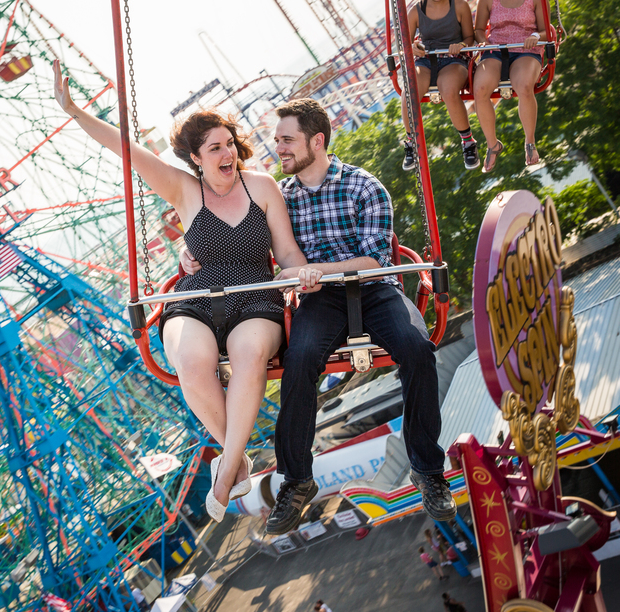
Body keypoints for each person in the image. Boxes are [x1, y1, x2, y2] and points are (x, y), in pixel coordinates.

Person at [181, 99, 456, 535]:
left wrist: (318, 270)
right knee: (300, 359)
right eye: (277, 141)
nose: (279, 149)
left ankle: (428, 468)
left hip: (374, 289)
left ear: (317, 141)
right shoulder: (279, 196)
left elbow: (375, 261)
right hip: (321, 299)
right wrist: (189, 248)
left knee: (418, 350)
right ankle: (295, 478)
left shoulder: (364, 187)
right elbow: (239, 234)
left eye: (287, 140)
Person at [53, 61, 310, 523]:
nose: (227, 152)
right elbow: (127, 151)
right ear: (196, 158)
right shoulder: (185, 192)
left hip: (255, 291)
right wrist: (73, 110)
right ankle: (239, 458)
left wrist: (303, 274)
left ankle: (229, 465)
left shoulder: (261, 186)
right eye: (215, 148)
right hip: (198, 293)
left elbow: (287, 252)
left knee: (250, 352)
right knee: (191, 361)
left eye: (230, 143)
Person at [400, 0, 479, 171]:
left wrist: (461, 45)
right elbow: (404, 44)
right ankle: (411, 142)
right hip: (427, 60)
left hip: (455, 59)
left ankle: (467, 141)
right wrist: (413, 48)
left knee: (448, 89)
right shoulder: (416, 11)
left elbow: (469, 38)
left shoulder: (459, 6)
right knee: (409, 92)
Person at [472, 0, 549, 171]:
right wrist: (484, 41)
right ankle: (492, 144)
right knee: (480, 90)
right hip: (496, 49)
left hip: (526, 49)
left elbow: (545, 31)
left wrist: (535, 37)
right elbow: (478, 30)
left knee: (524, 86)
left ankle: (529, 141)